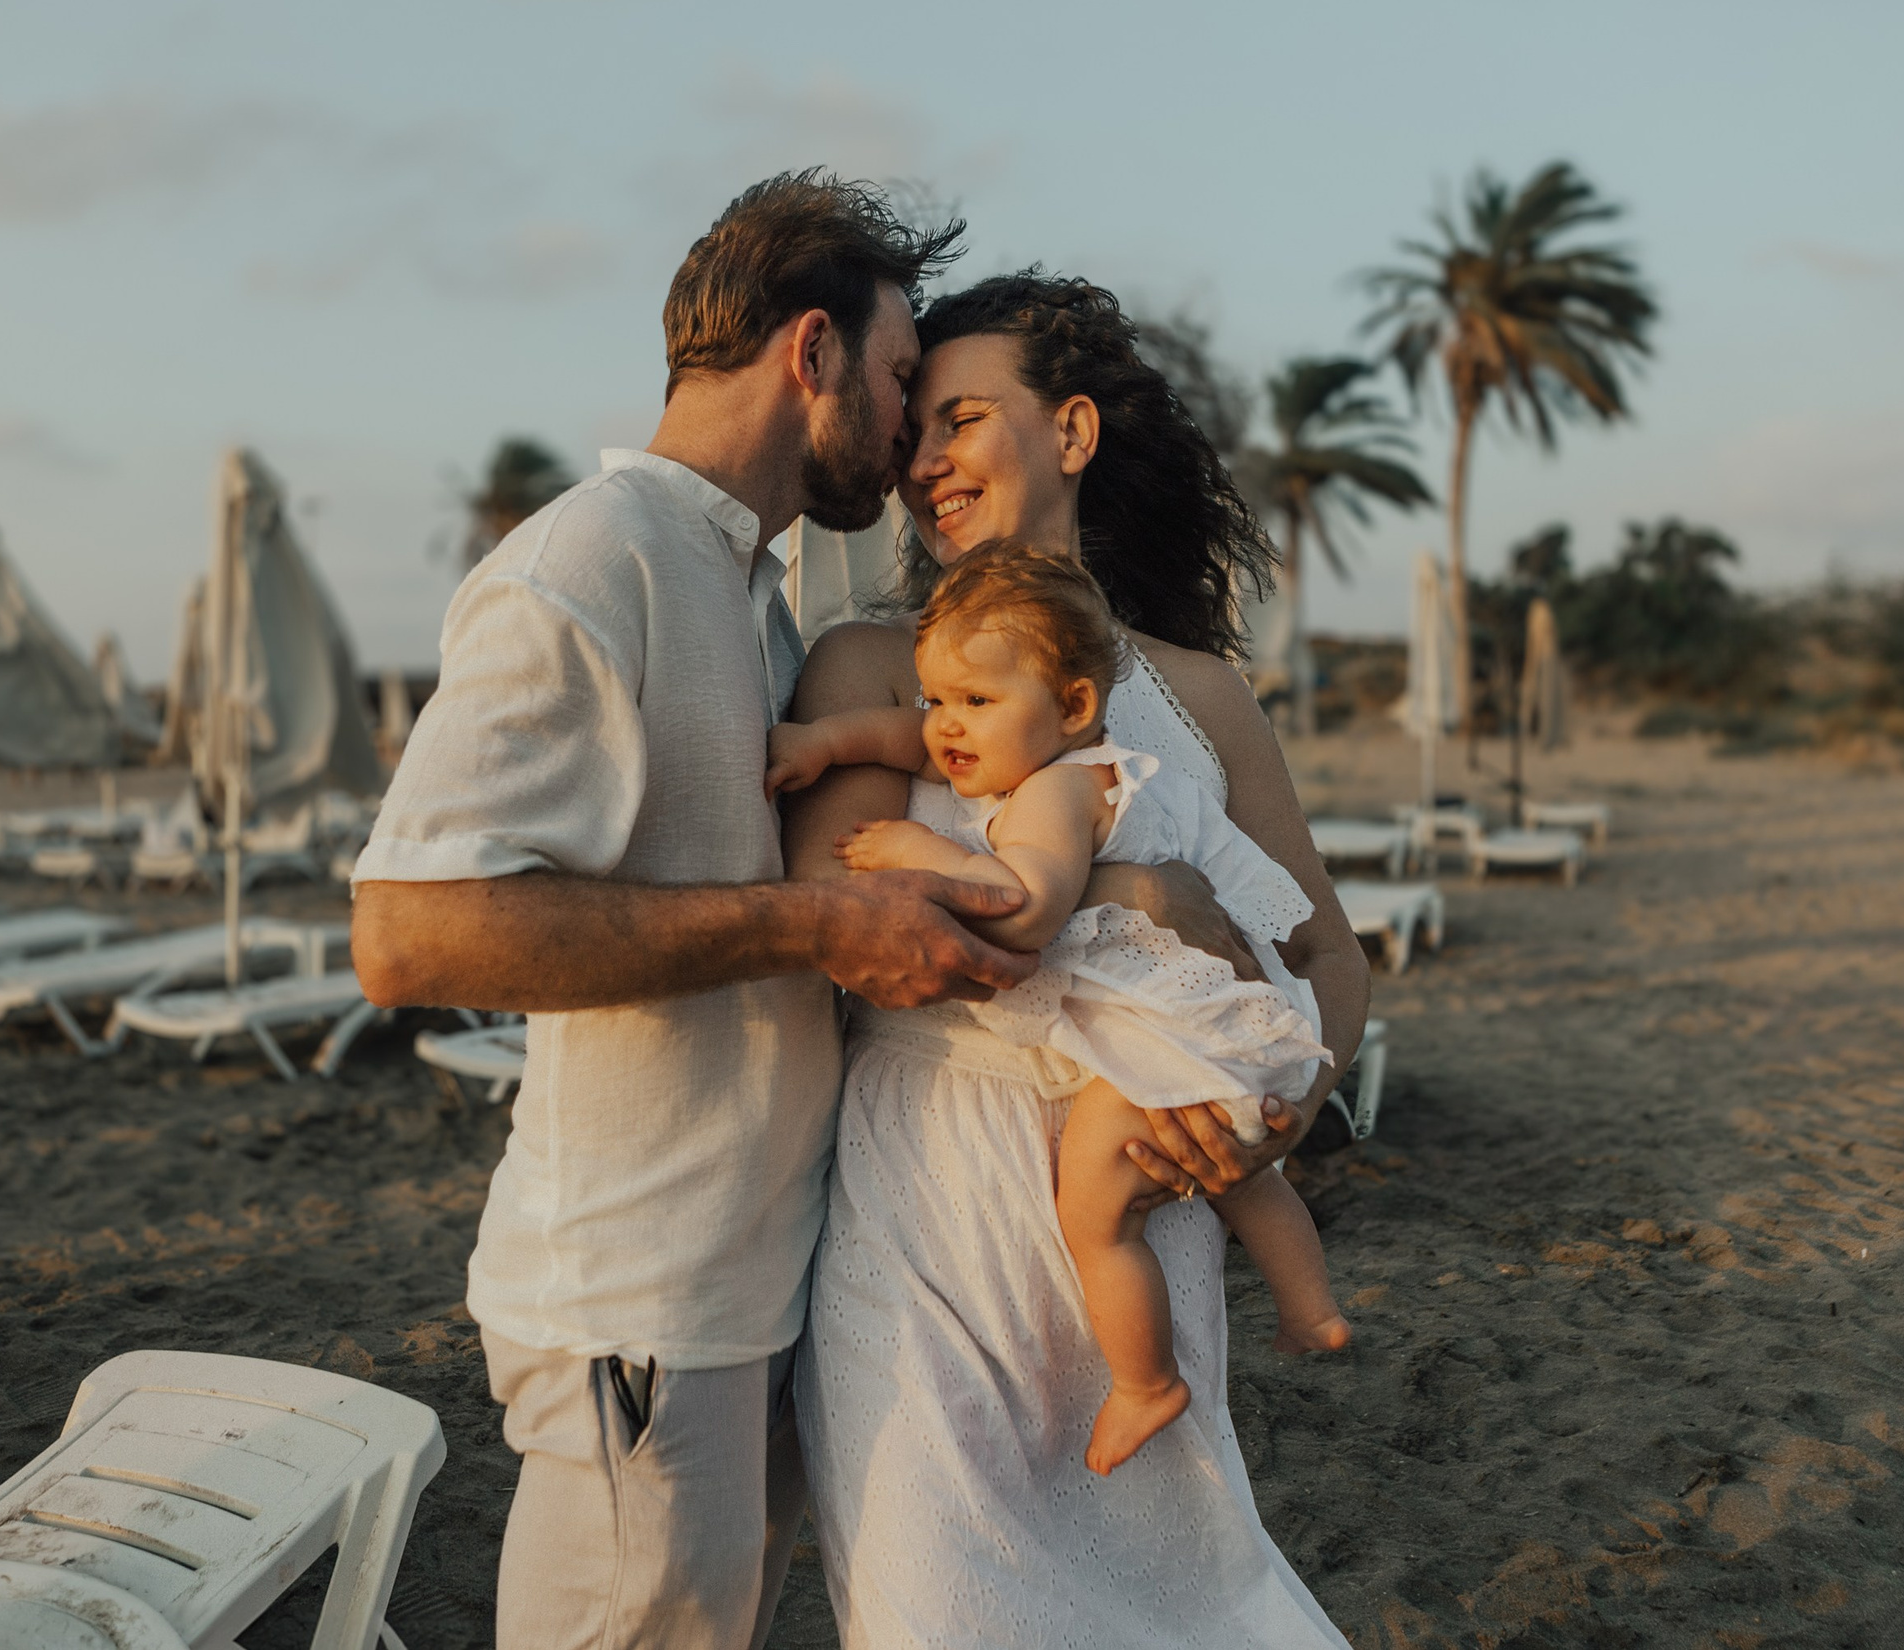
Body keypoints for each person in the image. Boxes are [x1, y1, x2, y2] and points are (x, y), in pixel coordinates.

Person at [352, 175, 1235, 1648]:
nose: (905, 438)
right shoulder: (592, 558)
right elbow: (407, 931)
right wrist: (807, 924)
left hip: (752, 1285)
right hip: (637, 1294)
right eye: (900, 384)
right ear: (809, 352)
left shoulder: (745, 589)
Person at [787, 272, 1374, 1647]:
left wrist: (1283, 1107)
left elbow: (1326, 946)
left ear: (1074, 433)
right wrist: (1134, 888)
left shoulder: (1201, 691)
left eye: (964, 418)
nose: (922, 458)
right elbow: (845, 925)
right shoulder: (871, 669)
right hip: (923, 1195)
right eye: (912, 426)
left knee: (1167, 1605)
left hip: (1145, 1184)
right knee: (938, 1608)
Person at [766, 540, 1349, 1476]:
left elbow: (1026, 912)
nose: (945, 728)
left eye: (972, 704)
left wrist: (931, 849)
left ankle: (1146, 1382)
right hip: (1204, 1028)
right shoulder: (1018, 731)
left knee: (1095, 1207)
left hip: (1150, 1039)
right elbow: (907, 737)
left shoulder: (1055, 790)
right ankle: (1309, 1303)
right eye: (934, 698)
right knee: (1247, 1179)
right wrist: (824, 744)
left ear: (1074, 707)